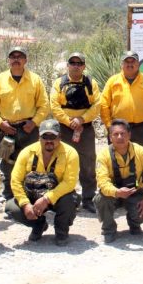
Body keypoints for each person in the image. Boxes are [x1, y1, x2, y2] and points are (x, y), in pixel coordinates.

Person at [0, 46, 50, 201]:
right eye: (13, 56)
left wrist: (34, 122)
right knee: (7, 164)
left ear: (25, 60)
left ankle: (31, 195)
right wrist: (0, 123)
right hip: (7, 129)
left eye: (20, 56)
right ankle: (9, 195)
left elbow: (44, 105)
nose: (16, 59)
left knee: (32, 163)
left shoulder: (35, 80)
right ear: (9, 60)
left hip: (29, 129)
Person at [5, 119, 79, 246]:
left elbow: (69, 183)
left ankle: (61, 232)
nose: (49, 140)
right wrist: (25, 204)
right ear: (39, 137)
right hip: (33, 195)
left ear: (60, 137)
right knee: (11, 207)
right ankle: (39, 225)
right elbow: (15, 180)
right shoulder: (26, 152)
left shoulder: (71, 153)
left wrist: (46, 199)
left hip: (57, 197)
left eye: (53, 136)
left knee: (70, 200)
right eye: (45, 136)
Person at [93, 120, 143, 243]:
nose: (120, 137)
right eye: (116, 134)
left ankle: (134, 223)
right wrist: (117, 192)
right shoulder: (103, 155)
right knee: (101, 199)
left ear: (129, 135)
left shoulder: (140, 151)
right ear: (110, 137)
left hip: (134, 192)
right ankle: (108, 229)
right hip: (113, 194)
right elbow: (102, 182)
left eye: (123, 133)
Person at [50, 52, 101, 213]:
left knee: (88, 164)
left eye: (79, 63)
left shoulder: (91, 83)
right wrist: (69, 121)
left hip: (85, 129)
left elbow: (97, 105)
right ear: (68, 65)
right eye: (73, 62)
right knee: (62, 163)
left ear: (84, 66)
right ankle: (64, 198)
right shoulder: (59, 83)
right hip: (64, 130)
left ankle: (88, 198)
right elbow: (54, 106)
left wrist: (81, 119)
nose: (76, 66)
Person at [100, 50, 143, 154]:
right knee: (117, 160)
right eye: (126, 62)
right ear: (122, 64)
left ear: (138, 64)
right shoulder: (112, 81)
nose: (130, 64)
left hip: (141, 128)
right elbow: (103, 105)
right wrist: (109, 126)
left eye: (133, 61)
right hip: (118, 129)